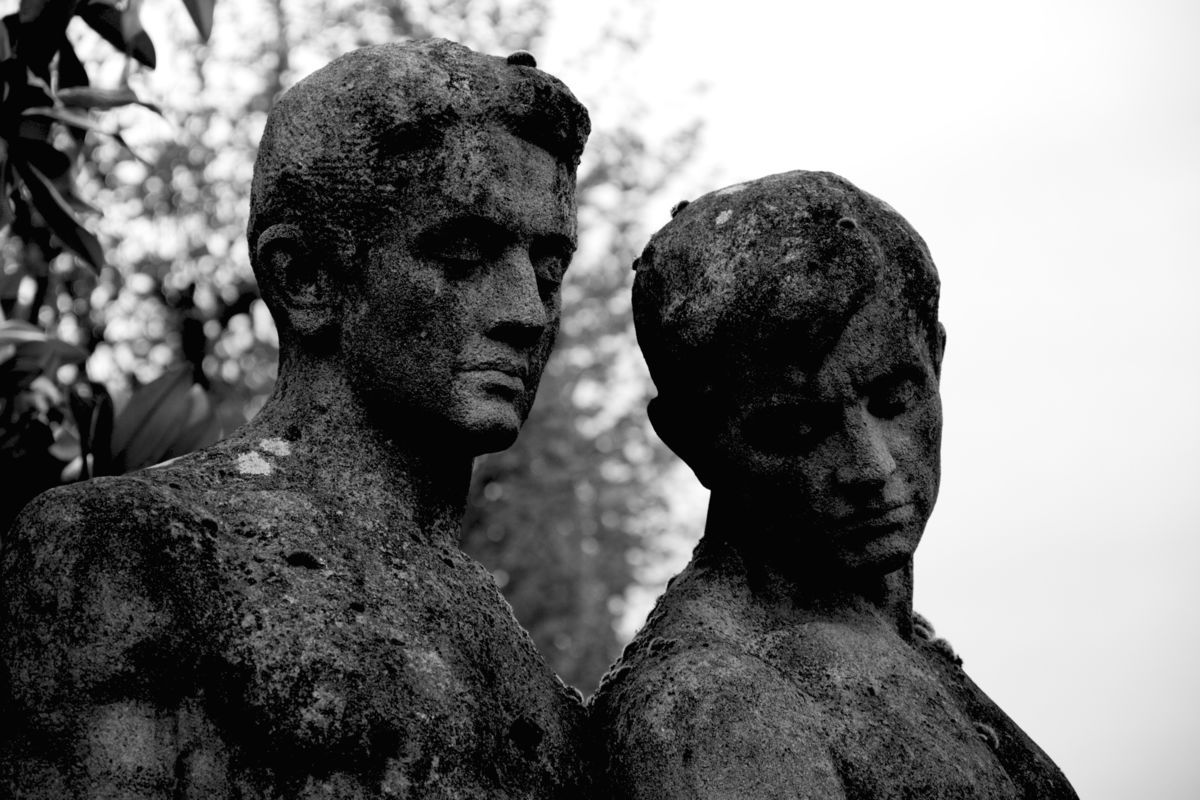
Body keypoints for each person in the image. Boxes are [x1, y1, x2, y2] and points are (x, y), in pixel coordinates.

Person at [1, 39, 590, 799]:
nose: (527, 312)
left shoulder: (526, 680)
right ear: (306, 279)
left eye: (549, 268)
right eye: (464, 254)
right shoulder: (131, 558)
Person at [591, 170, 1079, 799]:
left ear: (937, 359)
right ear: (688, 442)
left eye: (894, 398)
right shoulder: (714, 706)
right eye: (795, 429)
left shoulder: (907, 650)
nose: (870, 466)